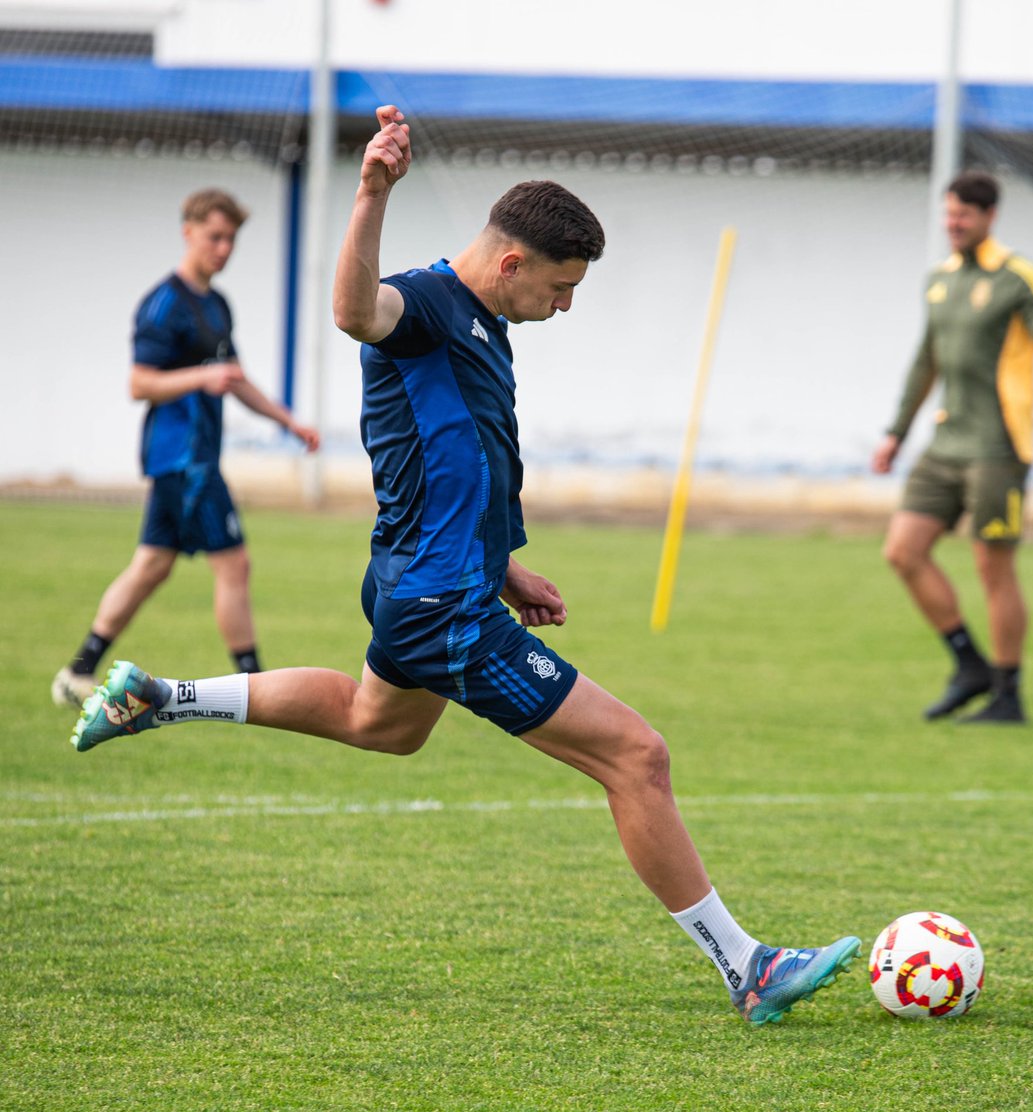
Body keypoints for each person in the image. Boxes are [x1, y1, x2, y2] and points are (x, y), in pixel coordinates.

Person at [69, 107, 860, 1025]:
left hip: (427, 580)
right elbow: (354, 312)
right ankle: (748, 968)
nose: (565, 306)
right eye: (561, 287)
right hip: (442, 602)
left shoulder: (487, 328)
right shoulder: (426, 307)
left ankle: (157, 696)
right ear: (513, 262)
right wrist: (371, 193)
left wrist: (509, 562)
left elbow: (469, 457)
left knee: (382, 725)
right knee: (638, 757)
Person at [51, 188, 320, 709]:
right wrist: (201, 376)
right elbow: (139, 383)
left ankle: (79, 668)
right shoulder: (164, 305)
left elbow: (233, 378)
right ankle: (254, 683)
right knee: (233, 565)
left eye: (231, 239)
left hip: (191, 459)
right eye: (215, 236)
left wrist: (289, 422)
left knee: (152, 565)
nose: (223, 248)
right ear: (189, 231)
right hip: (183, 458)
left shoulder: (217, 305)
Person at [871, 170, 1033, 724]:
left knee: (993, 568)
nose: (953, 223)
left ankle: (1008, 691)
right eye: (949, 214)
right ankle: (970, 664)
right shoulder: (939, 279)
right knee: (902, 551)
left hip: (998, 445)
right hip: (944, 442)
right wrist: (896, 432)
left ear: (988, 216)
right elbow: (924, 361)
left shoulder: (1020, 278)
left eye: (963, 215)